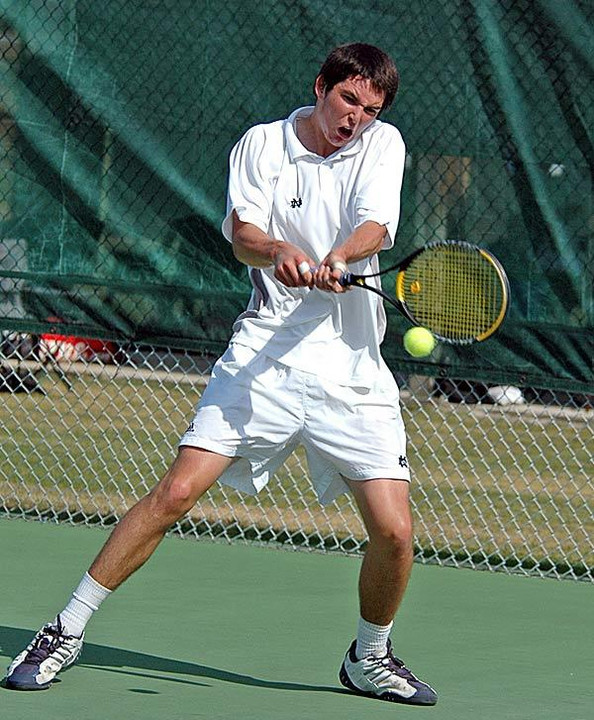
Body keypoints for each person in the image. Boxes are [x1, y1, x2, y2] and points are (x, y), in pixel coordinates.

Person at [5, 42, 437, 706]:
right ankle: (65, 629)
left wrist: (333, 255)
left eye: (369, 109)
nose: (355, 118)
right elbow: (242, 234)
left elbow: (376, 227)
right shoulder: (262, 145)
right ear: (321, 87)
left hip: (352, 371)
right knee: (175, 493)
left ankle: (369, 657)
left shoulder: (384, 146)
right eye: (348, 99)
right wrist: (280, 251)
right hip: (263, 359)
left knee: (396, 531)